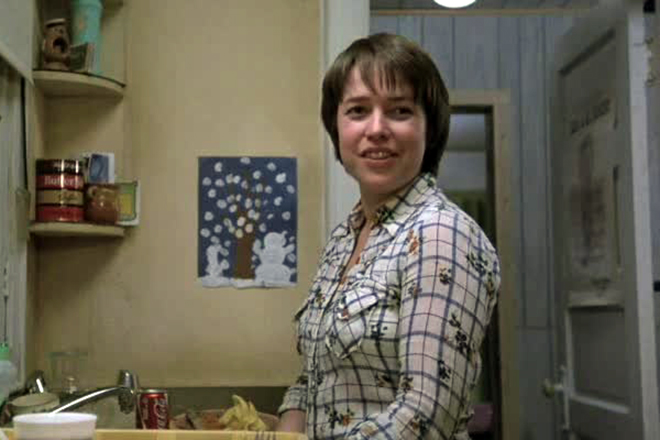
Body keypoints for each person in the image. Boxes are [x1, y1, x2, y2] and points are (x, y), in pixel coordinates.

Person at [276, 33, 500, 440]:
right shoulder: (345, 238)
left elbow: (424, 417)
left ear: (430, 129)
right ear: (336, 127)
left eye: (399, 111)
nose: (377, 129)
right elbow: (314, 378)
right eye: (358, 110)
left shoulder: (440, 234)